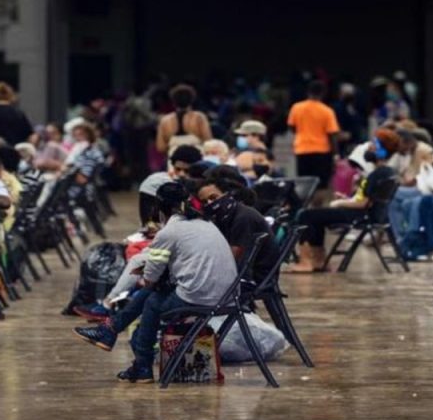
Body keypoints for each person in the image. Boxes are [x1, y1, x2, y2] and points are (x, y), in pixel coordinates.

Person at [72, 181, 238, 383]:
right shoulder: (206, 224)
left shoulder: (169, 232)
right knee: (154, 294)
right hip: (227, 295)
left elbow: (150, 277)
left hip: (202, 296)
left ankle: (136, 359)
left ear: (160, 209)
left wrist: (147, 279)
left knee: (152, 301)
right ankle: (116, 336)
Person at [286, 129, 400, 273]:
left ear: (382, 151)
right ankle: (319, 260)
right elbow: (364, 200)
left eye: (373, 145)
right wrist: (346, 199)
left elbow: (363, 203)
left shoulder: (378, 174)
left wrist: (340, 203)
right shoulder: (386, 172)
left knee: (306, 215)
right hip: (366, 214)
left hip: (360, 215)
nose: (369, 147)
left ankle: (306, 261)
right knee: (316, 217)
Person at [197, 176, 280, 281]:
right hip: (248, 270)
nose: (209, 203)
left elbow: (234, 256)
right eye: (204, 202)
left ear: (227, 194)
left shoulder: (243, 217)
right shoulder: (227, 215)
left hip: (256, 275)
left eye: (213, 198)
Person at [287, 80, 340, 205]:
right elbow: (332, 134)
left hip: (302, 150)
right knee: (321, 185)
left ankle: (304, 208)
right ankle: (317, 209)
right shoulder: (327, 111)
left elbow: (292, 127)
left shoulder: (296, 108)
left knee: (305, 183)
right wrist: (336, 154)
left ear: (307, 92)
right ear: (323, 93)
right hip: (321, 152)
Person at [137, 145, 202, 225]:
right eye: (178, 169)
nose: (181, 174)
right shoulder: (156, 181)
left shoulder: (200, 183)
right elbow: (148, 219)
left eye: (187, 170)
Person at [155, 84, 212, 155]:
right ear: (192, 100)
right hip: (197, 157)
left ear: (173, 102)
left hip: (174, 160)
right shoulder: (199, 117)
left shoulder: (165, 121)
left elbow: (161, 147)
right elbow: (208, 142)